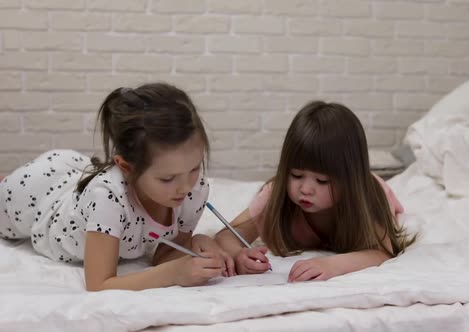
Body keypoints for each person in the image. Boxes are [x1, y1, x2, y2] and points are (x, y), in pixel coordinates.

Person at [0, 82, 234, 291]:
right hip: (41, 200)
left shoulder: (195, 190)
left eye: (194, 169)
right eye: (167, 179)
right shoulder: (108, 198)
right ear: (126, 167)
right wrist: (173, 274)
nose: (185, 187)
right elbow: (99, 284)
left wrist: (195, 245)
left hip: (79, 183)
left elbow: (164, 255)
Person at [215, 101, 415, 282]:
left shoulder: (367, 197)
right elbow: (227, 235)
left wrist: (332, 265)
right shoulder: (276, 196)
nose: (305, 189)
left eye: (322, 180)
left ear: (350, 182)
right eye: (296, 175)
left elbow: (383, 252)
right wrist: (238, 254)